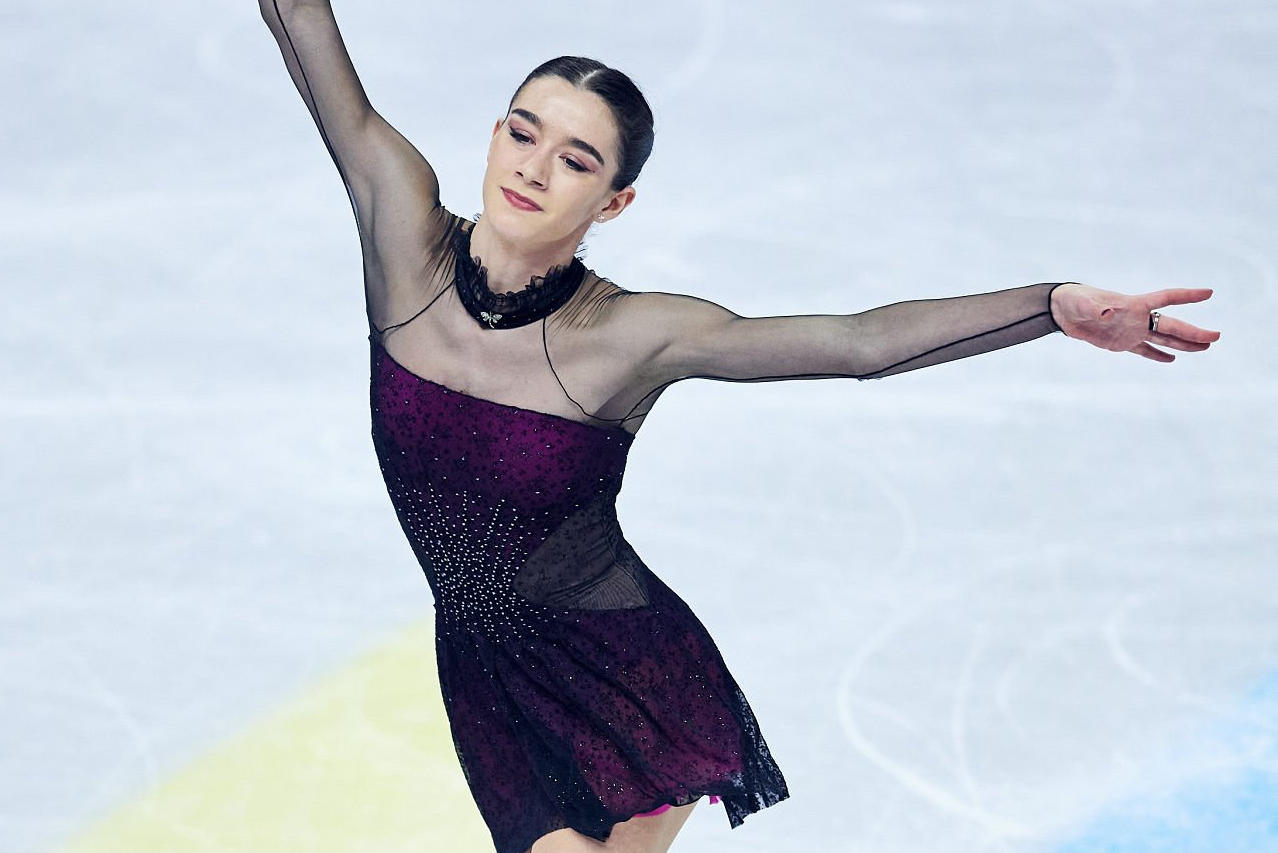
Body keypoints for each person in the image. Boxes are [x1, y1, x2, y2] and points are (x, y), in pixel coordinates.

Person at [257, 3, 1220, 852]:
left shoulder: (627, 335)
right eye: (523, 133)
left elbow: (858, 342)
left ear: (614, 201)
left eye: (576, 160)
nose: (533, 169)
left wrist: (1049, 305)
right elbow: (298, 18)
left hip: (628, 670)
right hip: (482, 663)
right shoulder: (401, 234)